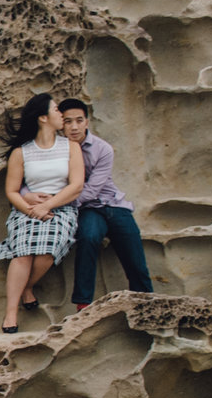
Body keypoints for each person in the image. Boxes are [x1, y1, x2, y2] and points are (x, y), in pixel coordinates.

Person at [0, 92, 84, 333]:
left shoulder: (71, 147)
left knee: (46, 251)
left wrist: (48, 206)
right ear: (43, 118)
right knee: (22, 253)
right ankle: (11, 312)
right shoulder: (21, 152)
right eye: (56, 110)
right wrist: (31, 209)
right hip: (28, 209)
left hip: (60, 208)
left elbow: (76, 185)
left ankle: (25, 288)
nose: (61, 114)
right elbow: (11, 191)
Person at [58, 99, 154, 306]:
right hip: (88, 209)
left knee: (133, 249)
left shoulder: (103, 149)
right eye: (67, 122)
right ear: (61, 124)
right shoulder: (58, 151)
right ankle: (83, 304)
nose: (74, 127)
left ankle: (146, 303)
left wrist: (62, 205)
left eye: (79, 120)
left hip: (114, 205)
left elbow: (93, 189)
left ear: (87, 122)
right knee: (88, 238)